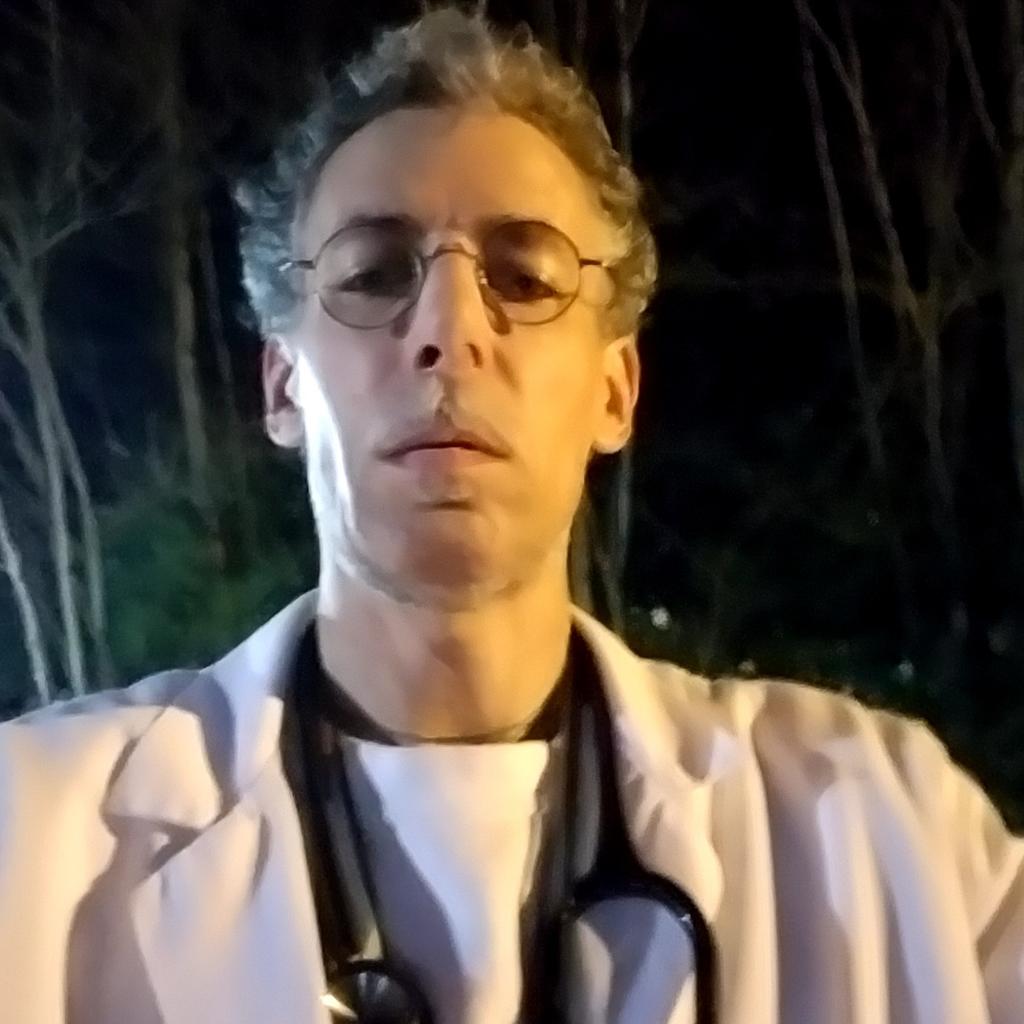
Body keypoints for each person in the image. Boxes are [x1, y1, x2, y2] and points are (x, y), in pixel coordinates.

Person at [0, 6, 1021, 1023]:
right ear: (282, 387)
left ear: (616, 390)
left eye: (525, 278)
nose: (448, 329)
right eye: (373, 274)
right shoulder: (34, 836)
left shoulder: (882, 831)